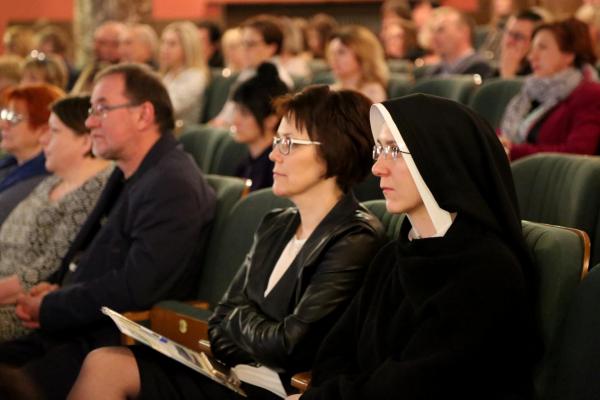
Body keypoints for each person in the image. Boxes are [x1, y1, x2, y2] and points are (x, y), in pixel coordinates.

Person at [67, 84, 385, 400]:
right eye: (277, 141)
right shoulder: (276, 223)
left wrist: (240, 320)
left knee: (107, 367)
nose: (274, 154)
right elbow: (219, 321)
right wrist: (250, 325)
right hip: (227, 374)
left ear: (335, 150)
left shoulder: (353, 236)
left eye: (288, 143)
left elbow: (291, 347)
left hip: (276, 391)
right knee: (105, 362)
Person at [288, 93, 537, 399]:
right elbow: (333, 354)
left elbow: (418, 386)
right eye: (379, 149)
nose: (378, 167)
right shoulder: (392, 257)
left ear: (436, 157)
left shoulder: (487, 273)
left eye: (393, 150)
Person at [0, 63, 216, 400]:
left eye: (101, 109)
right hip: (74, 329)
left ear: (144, 114)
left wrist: (52, 304)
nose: (89, 122)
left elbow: (136, 288)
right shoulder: (134, 172)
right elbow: (94, 255)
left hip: (104, 341)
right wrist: (56, 286)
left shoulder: (172, 184)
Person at [0, 95, 112, 341]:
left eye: (54, 131)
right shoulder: (53, 180)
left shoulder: (95, 189)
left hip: (21, 308)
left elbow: (50, 265)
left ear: (84, 141)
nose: (43, 139)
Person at [499, 18, 600, 160]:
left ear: (568, 55)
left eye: (542, 47)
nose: (531, 57)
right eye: (532, 49)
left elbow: (577, 152)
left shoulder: (589, 94)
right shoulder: (531, 90)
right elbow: (509, 133)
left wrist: (511, 151)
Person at [211, 15, 294, 128]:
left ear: (271, 48)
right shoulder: (248, 73)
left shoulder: (279, 82)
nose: (244, 50)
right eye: (242, 44)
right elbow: (226, 116)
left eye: (250, 44)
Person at [0, 83, 65, 225]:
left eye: (14, 118)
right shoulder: (9, 165)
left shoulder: (42, 180)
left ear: (44, 128)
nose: (3, 124)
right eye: (5, 115)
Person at [231, 62, 289, 191]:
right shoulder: (245, 164)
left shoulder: (277, 170)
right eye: (236, 111)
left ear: (271, 120)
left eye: (245, 114)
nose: (235, 121)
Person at [159, 21, 209, 126]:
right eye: (163, 42)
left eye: (172, 44)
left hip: (182, 135)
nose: (164, 48)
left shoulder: (195, 77)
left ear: (187, 48)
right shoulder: (169, 75)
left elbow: (168, 109)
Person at [423, 7, 495, 79]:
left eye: (441, 30)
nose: (434, 37)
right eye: (432, 31)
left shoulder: (479, 68)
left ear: (463, 31)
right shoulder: (433, 72)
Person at [327, 25, 389, 103]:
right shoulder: (329, 92)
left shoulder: (373, 93)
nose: (334, 59)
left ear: (362, 54)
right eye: (331, 53)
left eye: (341, 52)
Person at [71, 21, 125, 94]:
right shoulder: (82, 72)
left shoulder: (129, 76)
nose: (106, 49)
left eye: (114, 44)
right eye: (101, 43)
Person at [494, 9, 544, 78]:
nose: (510, 41)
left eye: (518, 36)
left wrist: (507, 75)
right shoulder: (495, 69)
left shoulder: (537, 74)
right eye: (508, 33)